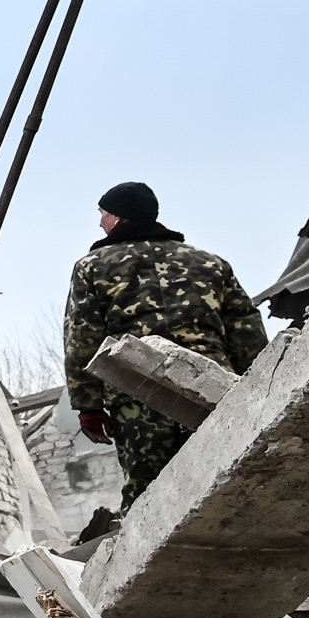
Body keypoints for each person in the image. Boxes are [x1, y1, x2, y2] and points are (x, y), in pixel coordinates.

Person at [63, 182, 268, 507]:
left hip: (138, 398)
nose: (100, 221)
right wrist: (260, 387)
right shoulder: (211, 263)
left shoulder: (93, 267)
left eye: (102, 214)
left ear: (118, 218)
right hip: (213, 393)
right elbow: (247, 330)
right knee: (228, 485)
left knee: (149, 498)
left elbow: (82, 339)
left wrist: (87, 405)